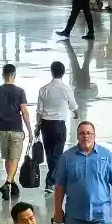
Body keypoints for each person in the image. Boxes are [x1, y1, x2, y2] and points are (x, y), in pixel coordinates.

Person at [0, 63, 34, 199]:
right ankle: (8, 183)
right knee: (14, 158)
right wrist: (30, 130)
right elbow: (24, 112)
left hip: (2, 129)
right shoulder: (20, 91)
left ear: (3, 75)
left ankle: (12, 184)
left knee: (8, 158)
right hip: (16, 129)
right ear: (14, 75)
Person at [36, 61, 78, 196]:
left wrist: (37, 126)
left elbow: (39, 111)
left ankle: (52, 181)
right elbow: (73, 106)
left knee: (50, 154)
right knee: (57, 154)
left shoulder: (44, 89)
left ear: (51, 71)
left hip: (45, 125)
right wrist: (76, 114)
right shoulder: (67, 89)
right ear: (63, 72)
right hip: (59, 125)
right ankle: (51, 181)